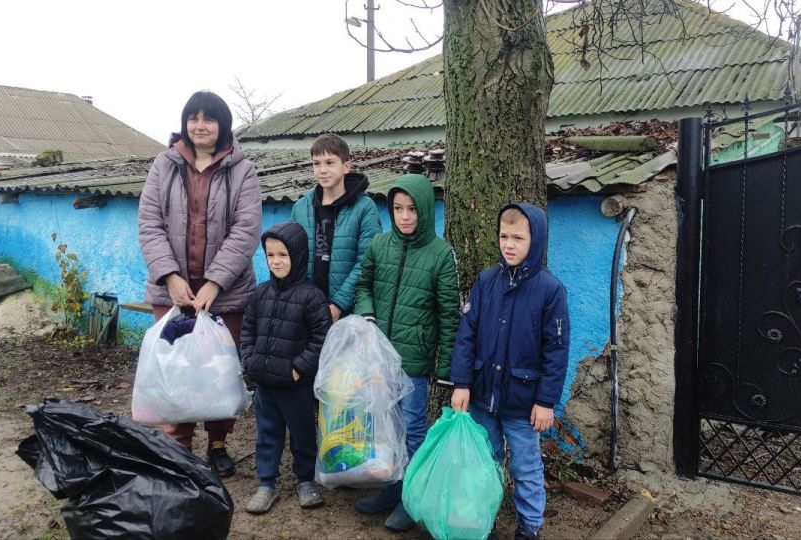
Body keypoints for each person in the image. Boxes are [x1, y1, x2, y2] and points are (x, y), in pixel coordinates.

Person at [137, 90, 262, 477]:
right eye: (193, 118)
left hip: (225, 293)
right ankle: (180, 446)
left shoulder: (243, 170)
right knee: (175, 369)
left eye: (209, 119)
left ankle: (219, 444)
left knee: (219, 370)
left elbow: (246, 229)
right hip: (171, 292)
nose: (200, 125)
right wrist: (171, 277)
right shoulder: (164, 164)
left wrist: (214, 284)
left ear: (223, 124)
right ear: (184, 123)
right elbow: (150, 223)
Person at [450, 203, 571, 540]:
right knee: (485, 462)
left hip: (523, 400)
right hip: (482, 394)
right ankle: (482, 520)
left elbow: (556, 351)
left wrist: (546, 401)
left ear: (536, 239)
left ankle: (529, 526)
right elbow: (467, 335)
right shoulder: (486, 282)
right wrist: (462, 383)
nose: (509, 244)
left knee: (525, 467)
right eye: (504, 236)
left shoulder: (550, 290)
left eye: (518, 237)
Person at [353, 174, 460, 531]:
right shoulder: (379, 246)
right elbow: (363, 284)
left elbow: (449, 316)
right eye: (398, 209)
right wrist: (367, 311)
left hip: (413, 362)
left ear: (426, 210)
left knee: (413, 429)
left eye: (412, 209)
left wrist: (445, 368)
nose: (405, 216)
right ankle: (391, 487)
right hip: (380, 358)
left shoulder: (440, 255)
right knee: (386, 428)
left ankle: (411, 499)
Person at [240, 222, 331, 514]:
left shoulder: (311, 296)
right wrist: (250, 362)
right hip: (266, 384)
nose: (276, 261)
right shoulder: (260, 294)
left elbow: (321, 338)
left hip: (296, 385)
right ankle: (267, 484)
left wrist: (299, 369)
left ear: (298, 256)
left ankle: (305, 480)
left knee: (303, 434)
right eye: (270, 255)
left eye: (283, 255)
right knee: (267, 433)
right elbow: (247, 331)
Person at [291, 133, 381, 322]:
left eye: (330, 163)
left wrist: (339, 304)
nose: (322, 170)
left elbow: (366, 262)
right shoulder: (300, 208)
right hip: (306, 310)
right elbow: (293, 258)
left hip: (347, 312)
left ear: (346, 166)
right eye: (316, 163)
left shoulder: (364, 208)